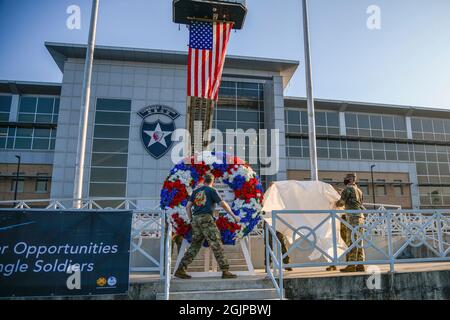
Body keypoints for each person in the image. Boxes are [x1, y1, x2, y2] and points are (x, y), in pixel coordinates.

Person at [174, 173, 241, 280]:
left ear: (203, 180)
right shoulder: (212, 190)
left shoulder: (196, 191)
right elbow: (223, 204)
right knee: (216, 243)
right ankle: (225, 270)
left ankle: (181, 269)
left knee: (194, 246)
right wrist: (233, 216)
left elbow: (188, 207)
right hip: (206, 219)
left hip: (196, 220)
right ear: (212, 181)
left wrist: (191, 219)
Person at [336, 173, 366, 273]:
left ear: (350, 179)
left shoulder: (347, 189)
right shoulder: (359, 190)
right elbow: (359, 203)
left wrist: (337, 200)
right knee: (359, 241)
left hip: (352, 217)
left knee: (352, 240)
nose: (345, 180)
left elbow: (341, 203)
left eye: (346, 179)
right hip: (360, 216)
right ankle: (361, 265)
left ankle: (352, 265)